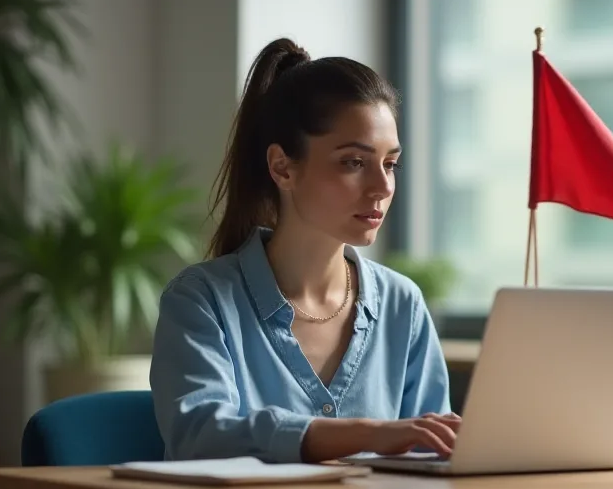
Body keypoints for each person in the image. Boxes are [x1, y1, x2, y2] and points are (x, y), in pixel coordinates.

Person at [148, 38, 458, 464]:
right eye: (353, 162)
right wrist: (367, 433)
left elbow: (432, 448)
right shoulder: (201, 301)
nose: (383, 187)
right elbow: (200, 435)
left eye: (391, 164)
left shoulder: (402, 303)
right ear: (282, 167)